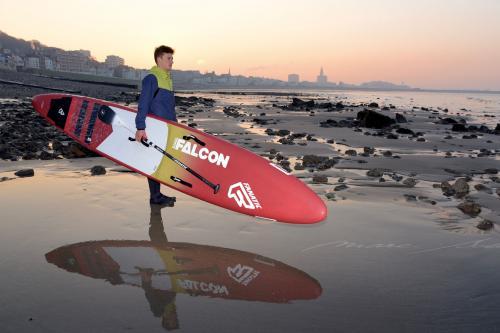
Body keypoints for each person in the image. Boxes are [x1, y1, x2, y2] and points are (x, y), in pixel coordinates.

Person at [136, 45, 177, 206]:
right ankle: (155, 196)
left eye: (172, 58)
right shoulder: (152, 78)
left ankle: (157, 195)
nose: (172, 61)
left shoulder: (167, 79)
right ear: (159, 59)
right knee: (154, 160)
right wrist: (140, 127)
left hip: (167, 128)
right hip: (155, 128)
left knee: (160, 161)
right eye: (169, 58)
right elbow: (143, 104)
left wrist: (177, 127)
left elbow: (169, 108)